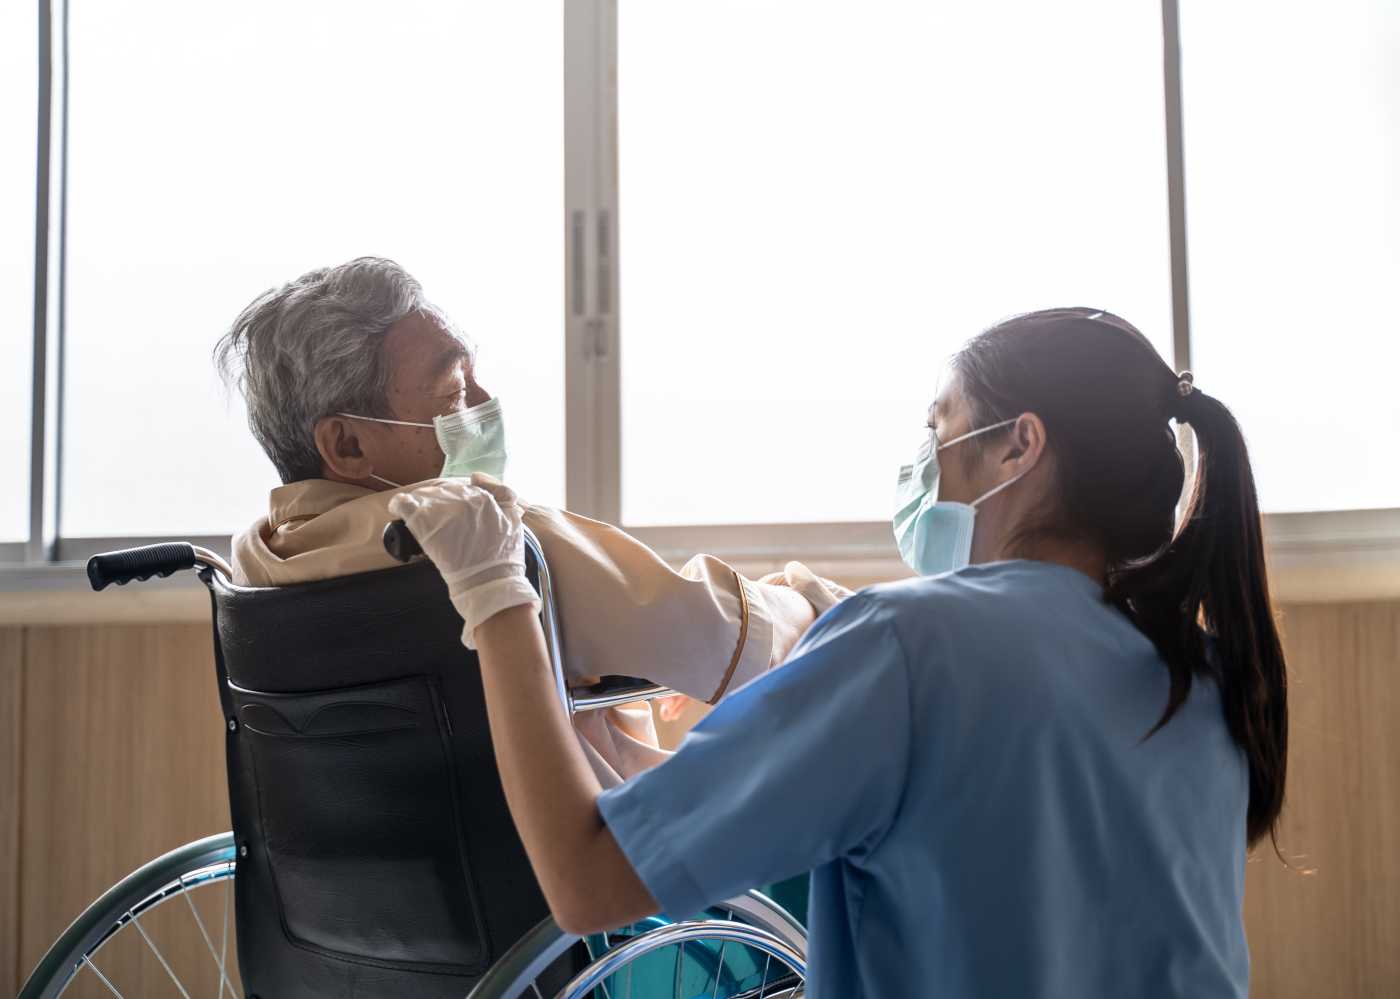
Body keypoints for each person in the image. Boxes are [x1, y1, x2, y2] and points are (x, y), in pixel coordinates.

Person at [394, 307, 1289, 997]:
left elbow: (587, 882)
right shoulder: (1201, 670)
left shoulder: (909, 642)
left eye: (939, 427)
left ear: (1020, 443)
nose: (925, 459)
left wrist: (496, 592)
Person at [215, 256, 846, 784]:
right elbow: (729, 643)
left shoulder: (257, 563)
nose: (487, 405)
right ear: (347, 446)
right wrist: (804, 597)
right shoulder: (488, 543)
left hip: (368, 907)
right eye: (456, 392)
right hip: (597, 901)